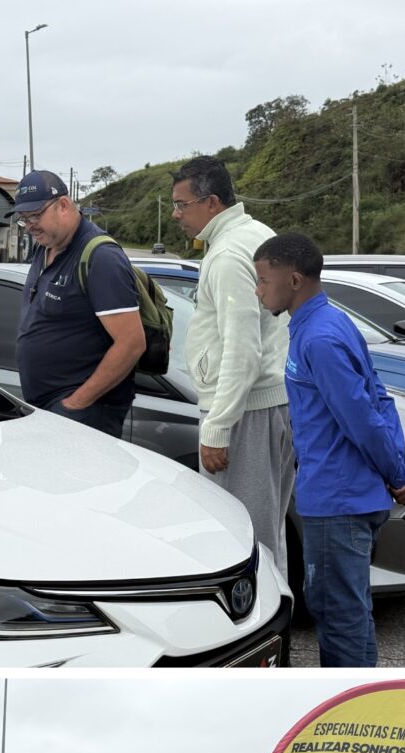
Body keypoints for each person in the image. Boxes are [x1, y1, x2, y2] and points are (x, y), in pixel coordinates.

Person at [254, 231, 405, 666]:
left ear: (293, 280)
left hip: (338, 502)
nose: (258, 290)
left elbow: (363, 414)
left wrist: (399, 475)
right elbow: (377, 397)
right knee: (348, 611)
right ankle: (369, 706)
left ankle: (350, 721)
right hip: (342, 493)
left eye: (263, 280)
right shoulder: (326, 323)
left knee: (339, 614)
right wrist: (396, 472)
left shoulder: (320, 337)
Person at [173, 156, 294, 590]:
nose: (176, 215)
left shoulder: (225, 255)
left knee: (245, 541)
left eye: (182, 204)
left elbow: (242, 349)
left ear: (211, 202)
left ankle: (256, 643)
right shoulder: (259, 234)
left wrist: (218, 428)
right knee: (268, 532)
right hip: (272, 401)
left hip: (245, 412)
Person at [10, 169, 145, 439]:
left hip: (86, 414)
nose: (31, 226)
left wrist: (75, 404)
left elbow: (132, 344)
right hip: (52, 410)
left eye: (35, 215)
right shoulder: (44, 248)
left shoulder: (100, 257)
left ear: (63, 205)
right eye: (24, 220)